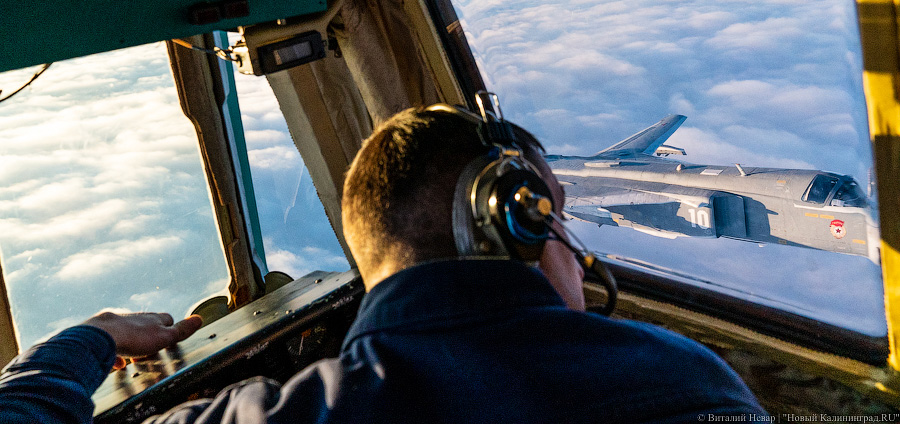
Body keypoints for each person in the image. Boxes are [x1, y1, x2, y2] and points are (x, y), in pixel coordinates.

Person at [0, 105, 767, 423]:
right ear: (513, 220)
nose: (572, 243)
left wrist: (89, 338)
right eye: (554, 213)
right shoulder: (689, 383)